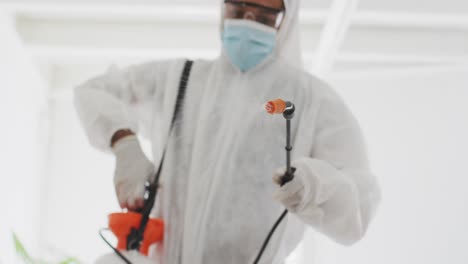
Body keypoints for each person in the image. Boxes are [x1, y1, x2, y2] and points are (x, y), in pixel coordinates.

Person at [74, 0, 381, 263]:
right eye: (238, 6)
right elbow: (95, 92)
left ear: (286, 21)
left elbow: (358, 208)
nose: (248, 20)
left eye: (262, 14)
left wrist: (315, 187)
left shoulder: (311, 101)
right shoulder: (181, 79)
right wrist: (124, 143)